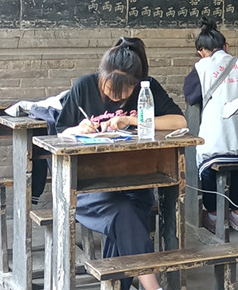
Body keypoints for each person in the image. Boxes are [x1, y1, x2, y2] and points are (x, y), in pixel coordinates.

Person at [57, 36, 186, 290]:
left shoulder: (147, 88)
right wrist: (77, 129)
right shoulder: (84, 86)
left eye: (123, 92)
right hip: (86, 188)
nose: (115, 97)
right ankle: (153, 287)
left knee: (131, 212)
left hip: (135, 183)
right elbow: (59, 132)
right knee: (125, 213)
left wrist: (134, 120)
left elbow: (179, 122)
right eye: (109, 89)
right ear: (101, 76)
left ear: (135, 83)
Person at [183, 16, 238, 234]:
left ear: (201, 52)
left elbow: (191, 96)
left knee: (207, 167)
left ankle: (213, 214)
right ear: (227, 46)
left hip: (217, 142)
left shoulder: (202, 68)